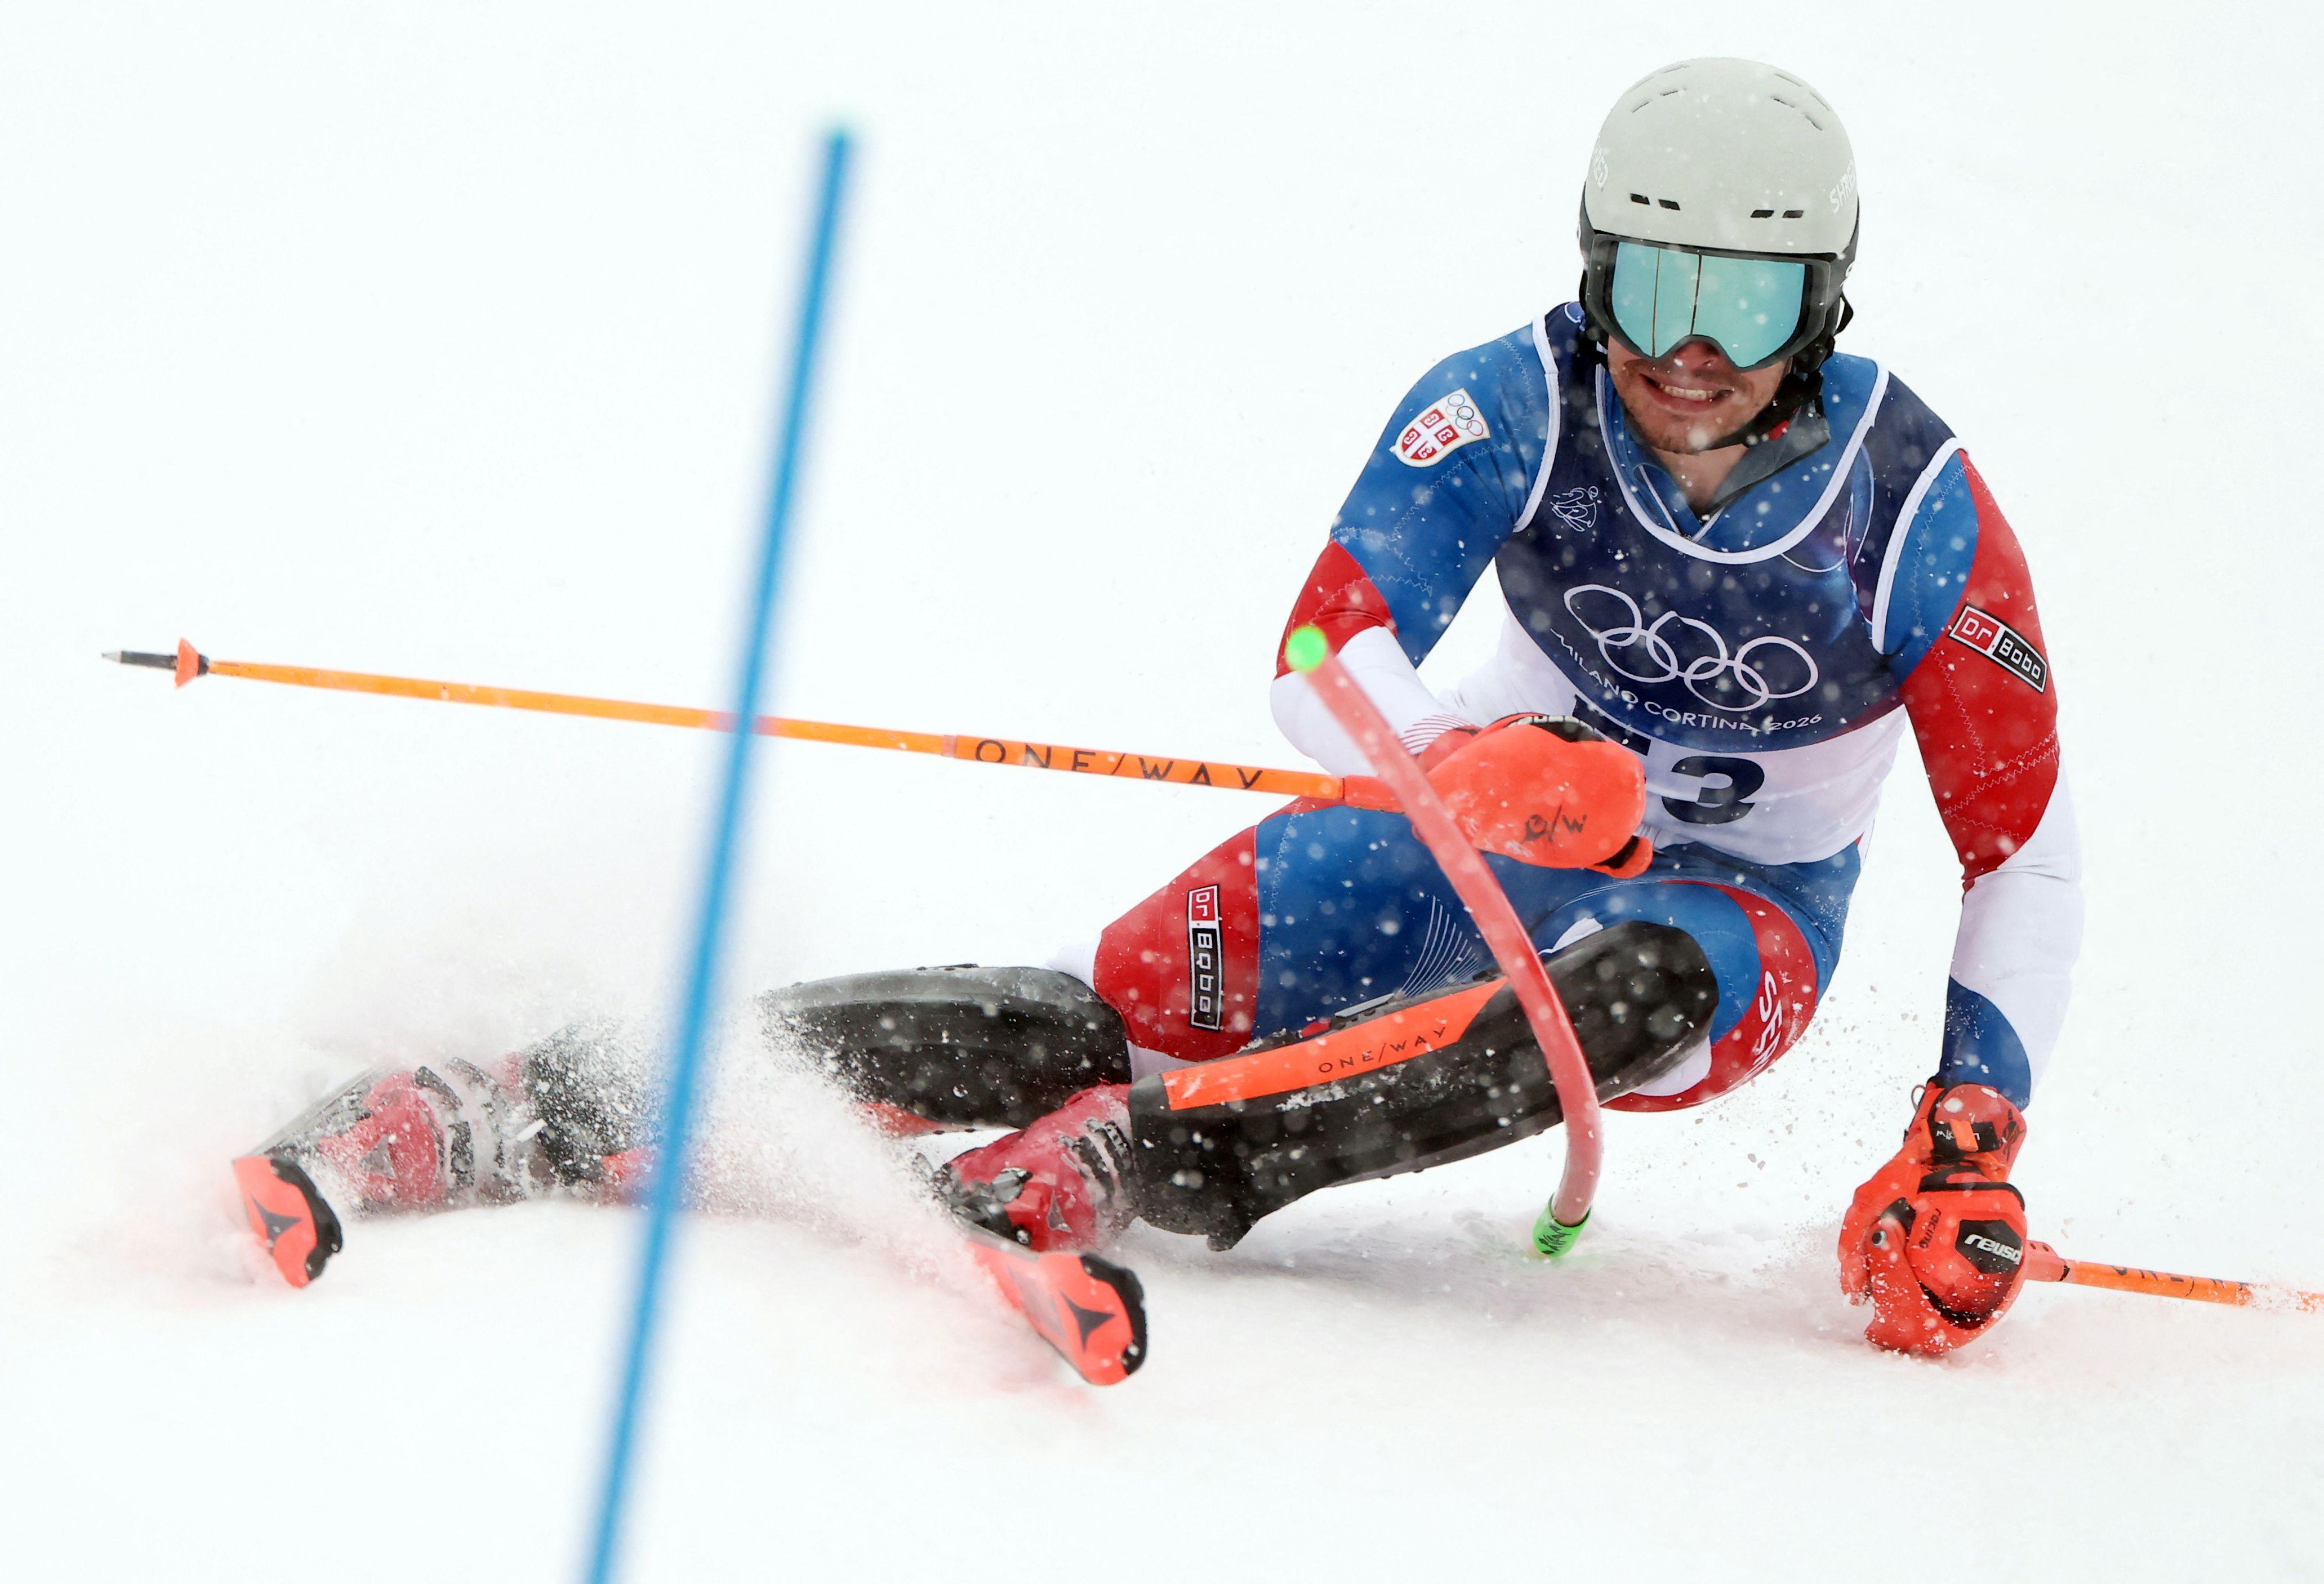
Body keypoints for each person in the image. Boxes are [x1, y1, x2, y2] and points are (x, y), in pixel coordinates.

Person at [234, 57, 2080, 1359]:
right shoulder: (1515, 399)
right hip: (1476, 829)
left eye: (1746, 300)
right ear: (1596, 268)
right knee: (1103, 1008)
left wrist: (1968, 1134)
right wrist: (1463, 765)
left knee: (1622, 993)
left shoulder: (1914, 512)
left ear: (1825, 303)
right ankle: (518, 1097)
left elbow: (2027, 852)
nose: (1688, 348)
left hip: (1734, 920)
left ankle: (1145, 1163)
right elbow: (1320, 657)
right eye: (1658, 281)